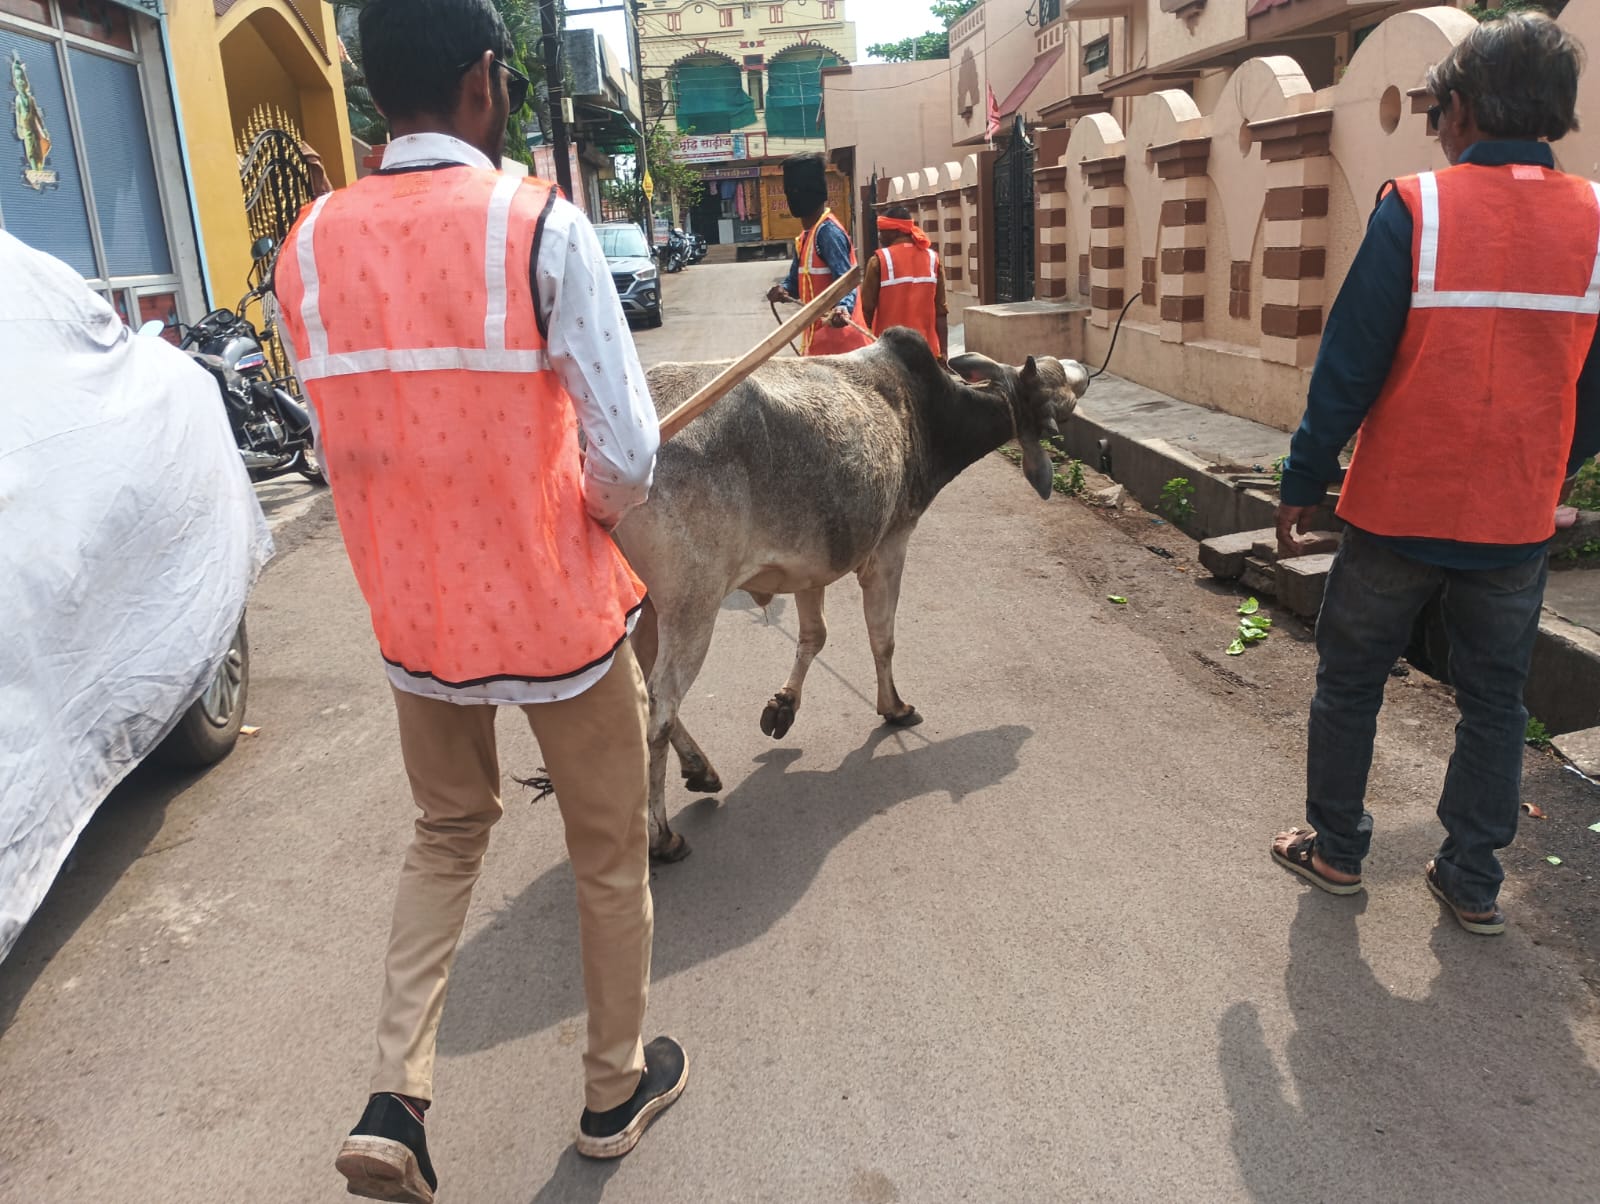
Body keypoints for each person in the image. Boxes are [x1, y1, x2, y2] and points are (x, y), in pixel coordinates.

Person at [273, 1, 686, 1199]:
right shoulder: (538, 224)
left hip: (418, 617)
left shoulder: (308, 246)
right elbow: (627, 453)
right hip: (554, 611)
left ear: (373, 91)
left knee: (447, 831)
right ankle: (612, 1088)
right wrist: (583, 511)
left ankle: (394, 1098)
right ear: (483, 81)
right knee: (607, 846)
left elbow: (340, 441)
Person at [1270, 12, 1600, 936]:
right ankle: (1472, 879)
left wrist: (1303, 478)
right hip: (1513, 522)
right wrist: (1548, 470)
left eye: (1436, 109)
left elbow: (1349, 365)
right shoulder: (1596, 221)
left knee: (1351, 680)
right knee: (1496, 699)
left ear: (1462, 108)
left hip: (1395, 511)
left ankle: (1337, 850)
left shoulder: (1417, 209)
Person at [765, 151, 869, 354]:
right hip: (819, 346)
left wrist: (843, 308)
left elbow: (847, 281)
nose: (793, 196)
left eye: (796, 190)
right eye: (790, 191)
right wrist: (783, 289)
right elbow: (795, 282)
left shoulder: (827, 233)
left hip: (843, 350)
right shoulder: (806, 237)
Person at [861, 204, 949, 365]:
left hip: (889, 356)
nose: (879, 236)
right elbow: (941, 312)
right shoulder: (933, 259)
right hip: (927, 354)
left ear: (897, 231)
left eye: (883, 231)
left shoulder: (879, 261)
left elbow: (865, 310)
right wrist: (944, 352)